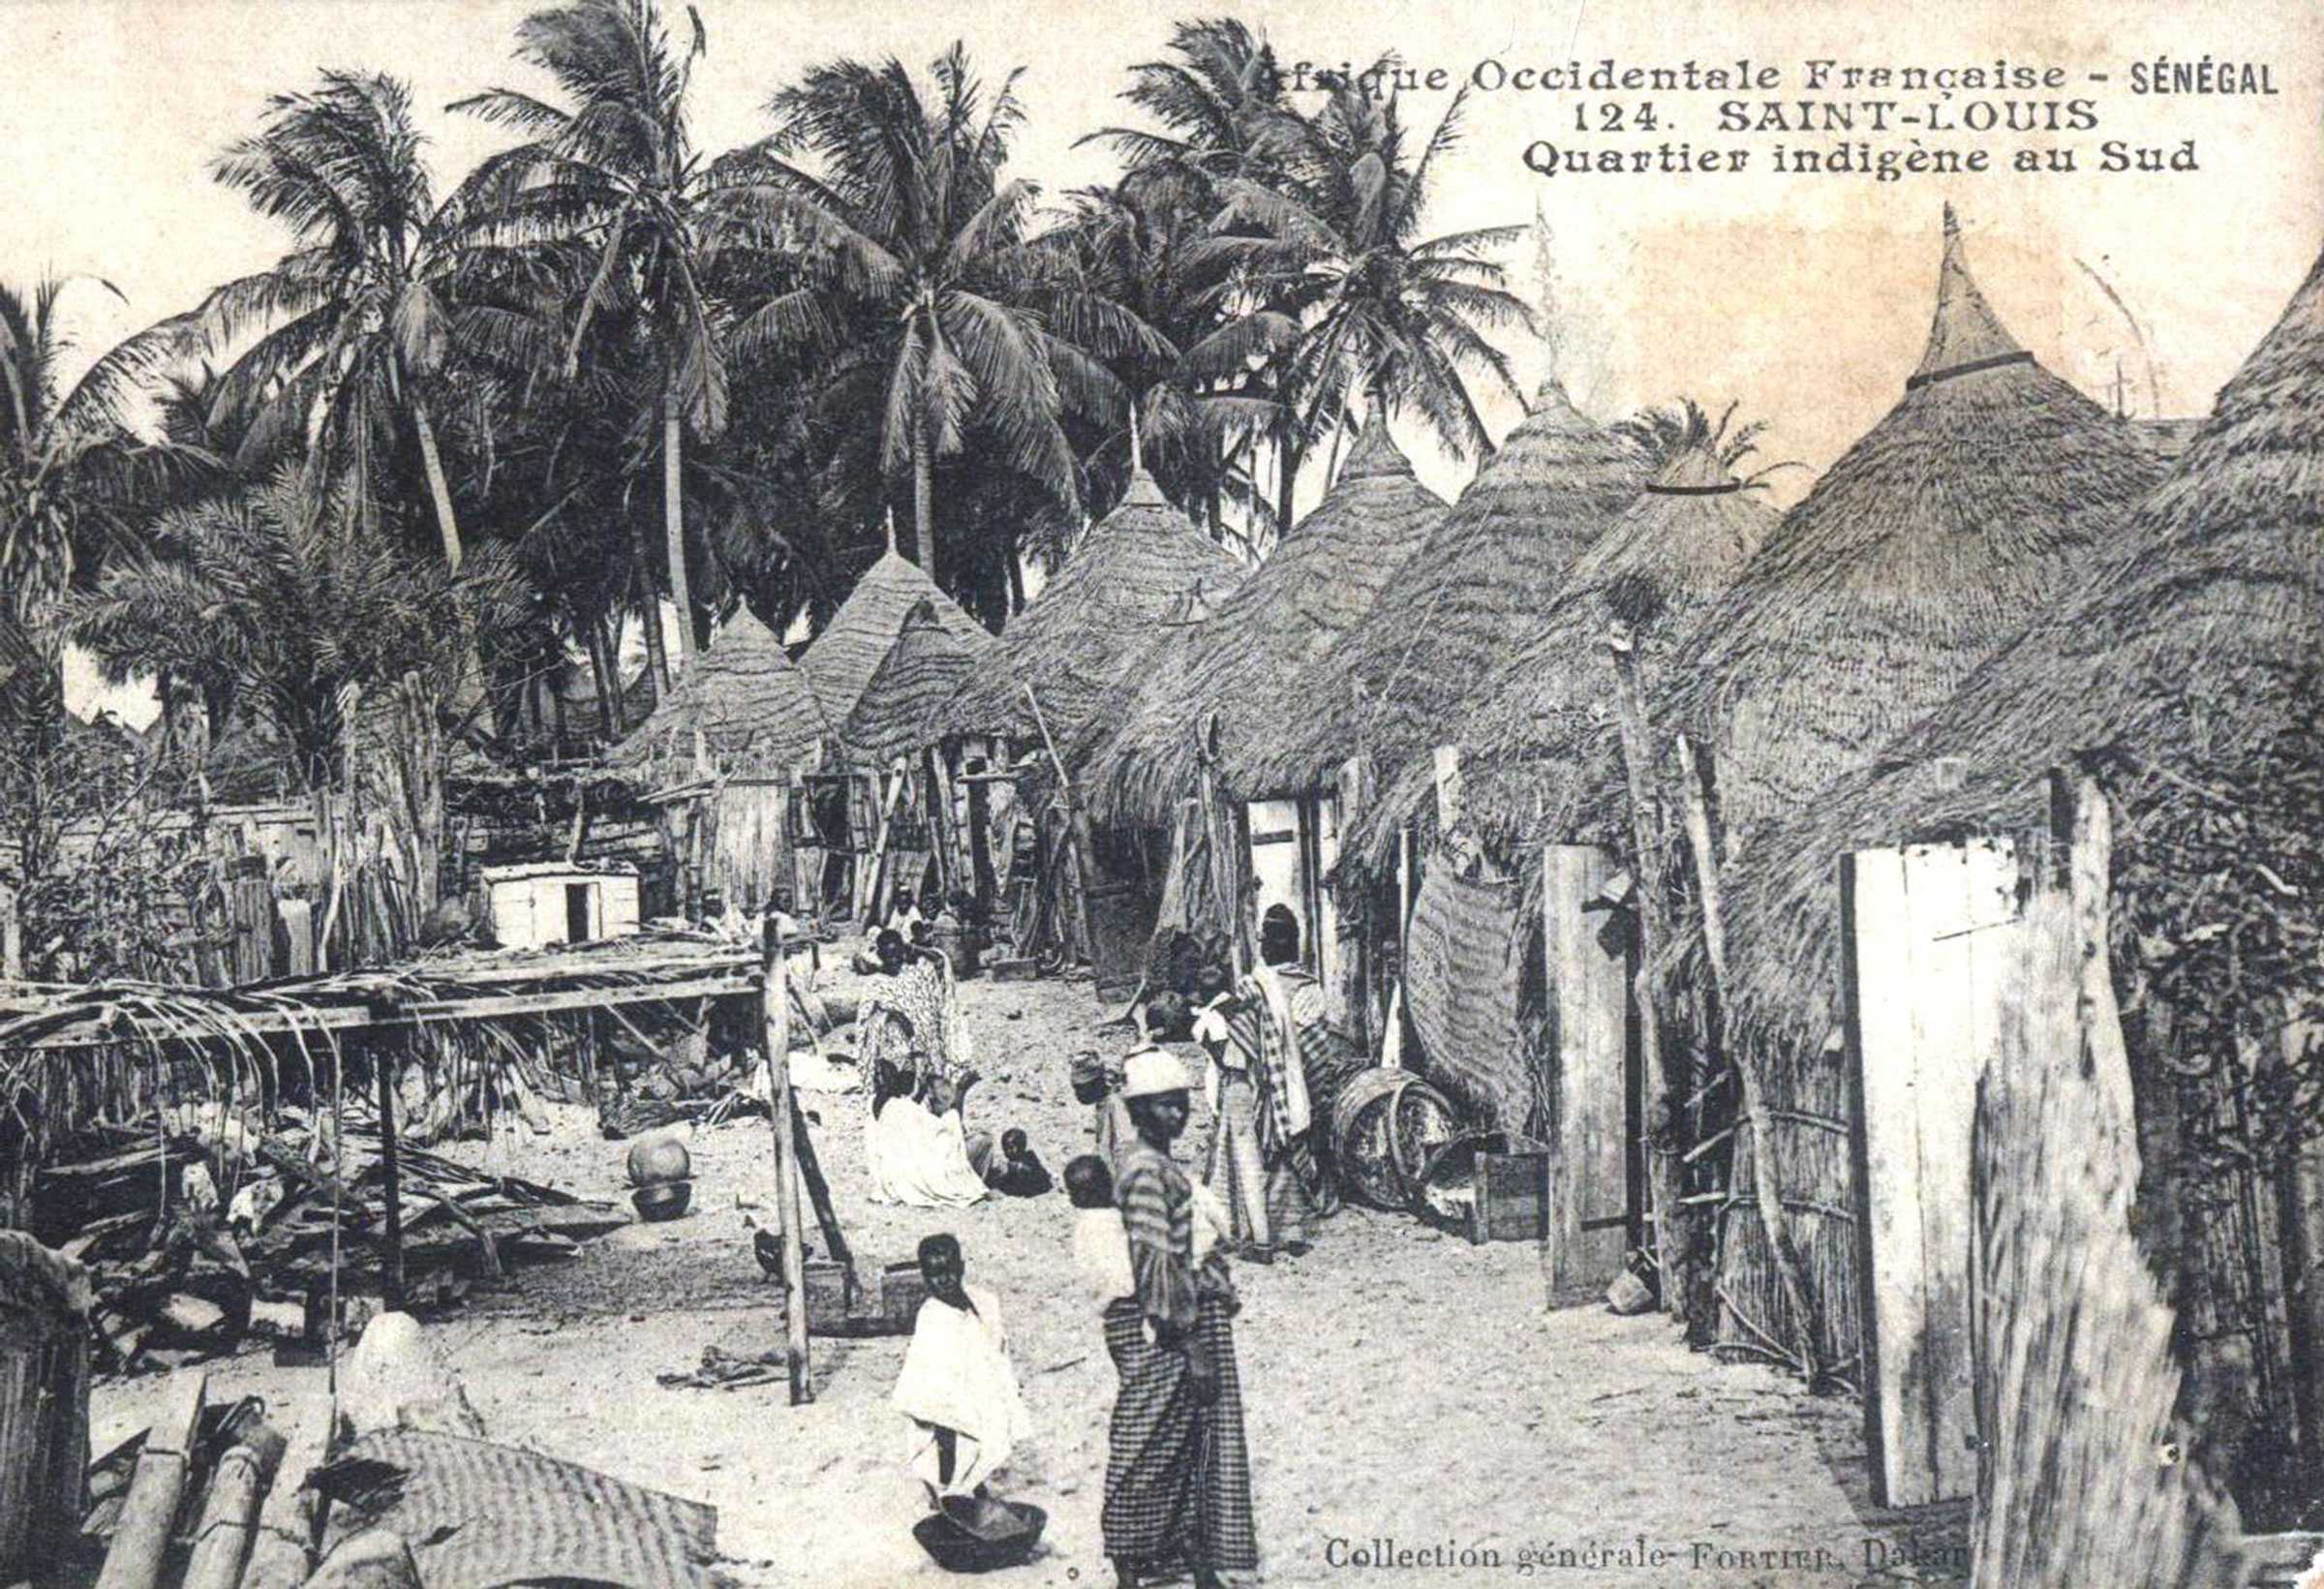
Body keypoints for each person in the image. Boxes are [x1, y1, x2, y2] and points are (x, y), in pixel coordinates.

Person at [1102, 1051, 1257, 1589]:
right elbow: (1156, 1265)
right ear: (1140, 1111)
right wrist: (1189, 1344)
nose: (1178, 1116)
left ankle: (1186, 1555)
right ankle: (1131, 1561)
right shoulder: (1145, 1172)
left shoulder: (1156, 1163)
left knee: (1190, 1441)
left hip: (1188, 1315)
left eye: (1182, 1104)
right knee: (1147, 1443)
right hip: (1170, 1327)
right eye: (1166, 1106)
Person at [1204, 907, 1341, 1260]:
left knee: (1250, 1160)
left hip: (1255, 1084)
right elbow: (1315, 1046)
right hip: (1293, 1084)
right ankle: (1291, 1230)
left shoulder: (1251, 988)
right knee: (1287, 1153)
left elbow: (1234, 1040)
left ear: (1276, 944)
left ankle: (1253, 1234)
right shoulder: (1309, 987)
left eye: (1267, 939)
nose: (1264, 947)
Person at [892, 1234, 1030, 1504]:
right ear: (924, 1276)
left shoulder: (978, 1302)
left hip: (976, 1384)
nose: (943, 1280)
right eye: (934, 1274)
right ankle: (948, 1491)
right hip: (943, 1395)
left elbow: (992, 1341)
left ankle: (970, 1485)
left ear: (962, 1268)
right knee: (949, 1443)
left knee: (983, 1439)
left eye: (949, 1272)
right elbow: (925, 1363)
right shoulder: (932, 1316)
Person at [855, 929, 972, 1094]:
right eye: (889, 956)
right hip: (895, 1044)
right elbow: (864, 1024)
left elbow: (940, 961)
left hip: (925, 1041)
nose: (895, 960)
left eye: (898, 954)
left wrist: (913, 948)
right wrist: (892, 1016)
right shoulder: (875, 984)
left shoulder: (914, 974)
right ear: (880, 955)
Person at [865, 1059, 991, 1208]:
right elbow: (938, 1132)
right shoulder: (900, 1107)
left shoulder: (877, 1103)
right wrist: (960, 1094)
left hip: (889, 1173)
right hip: (919, 1172)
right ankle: (976, 1181)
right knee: (982, 1139)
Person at [984, 1128, 1055, 1198]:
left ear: (1021, 1146)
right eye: (1005, 1148)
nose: (1008, 1151)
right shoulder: (1015, 1162)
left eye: (1011, 1148)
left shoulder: (1029, 1159)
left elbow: (1034, 1175)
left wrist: (1014, 1167)